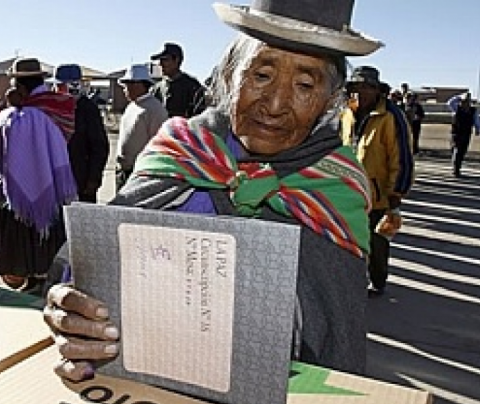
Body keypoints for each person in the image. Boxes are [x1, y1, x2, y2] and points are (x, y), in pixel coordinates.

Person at [44, 0, 384, 380]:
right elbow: (92, 263)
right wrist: (73, 305)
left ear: (329, 103)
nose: (274, 104)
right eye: (261, 75)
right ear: (228, 77)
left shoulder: (337, 188)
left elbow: (336, 331)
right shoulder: (179, 149)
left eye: (305, 85)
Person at [0, 58, 77, 294]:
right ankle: (44, 283)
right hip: (54, 193)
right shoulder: (58, 108)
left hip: (20, 201)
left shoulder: (17, 118)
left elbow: (5, 156)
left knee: (24, 247)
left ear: (18, 85)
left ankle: (31, 284)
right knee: (50, 248)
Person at [340, 65, 414, 296]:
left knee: (375, 243)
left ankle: (378, 280)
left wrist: (396, 194)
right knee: (348, 240)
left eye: (367, 87)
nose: (361, 92)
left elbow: (401, 158)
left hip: (378, 196)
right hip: (346, 191)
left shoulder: (391, 116)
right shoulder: (346, 113)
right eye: (356, 87)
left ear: (377, 91)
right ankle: (350, 279)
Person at [52, 64, 110, 203]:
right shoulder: (52, 109)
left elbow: (100, 147)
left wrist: (93, 179)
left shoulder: (88, 109)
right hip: (57, 181)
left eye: (60, 86)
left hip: (81, 181)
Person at [114, 64, 168, 191]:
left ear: (137, 85)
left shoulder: (154, 109)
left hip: (139, 174)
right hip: (123, 171)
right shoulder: (131, 106)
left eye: (127, 85)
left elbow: (159, 144)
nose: (124, 89)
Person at [150, 42, 206, 118]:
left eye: (165, 60)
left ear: (176, 60)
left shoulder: (193, 87)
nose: (160, 64)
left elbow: (199, 119)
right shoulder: (156, 89)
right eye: (160, 60)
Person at [447, 92, 480, 177]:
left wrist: (478, 129)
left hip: (466, 133)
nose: (465, 104)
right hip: (456, 133)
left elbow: (476, 120)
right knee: (456, 150)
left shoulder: (473, 111)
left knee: (462, 151)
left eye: (467, 101)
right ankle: (455, 168)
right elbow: (449, 103)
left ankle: (457, 167)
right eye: (464, 101)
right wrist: (459, 97)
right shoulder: (456, 109)